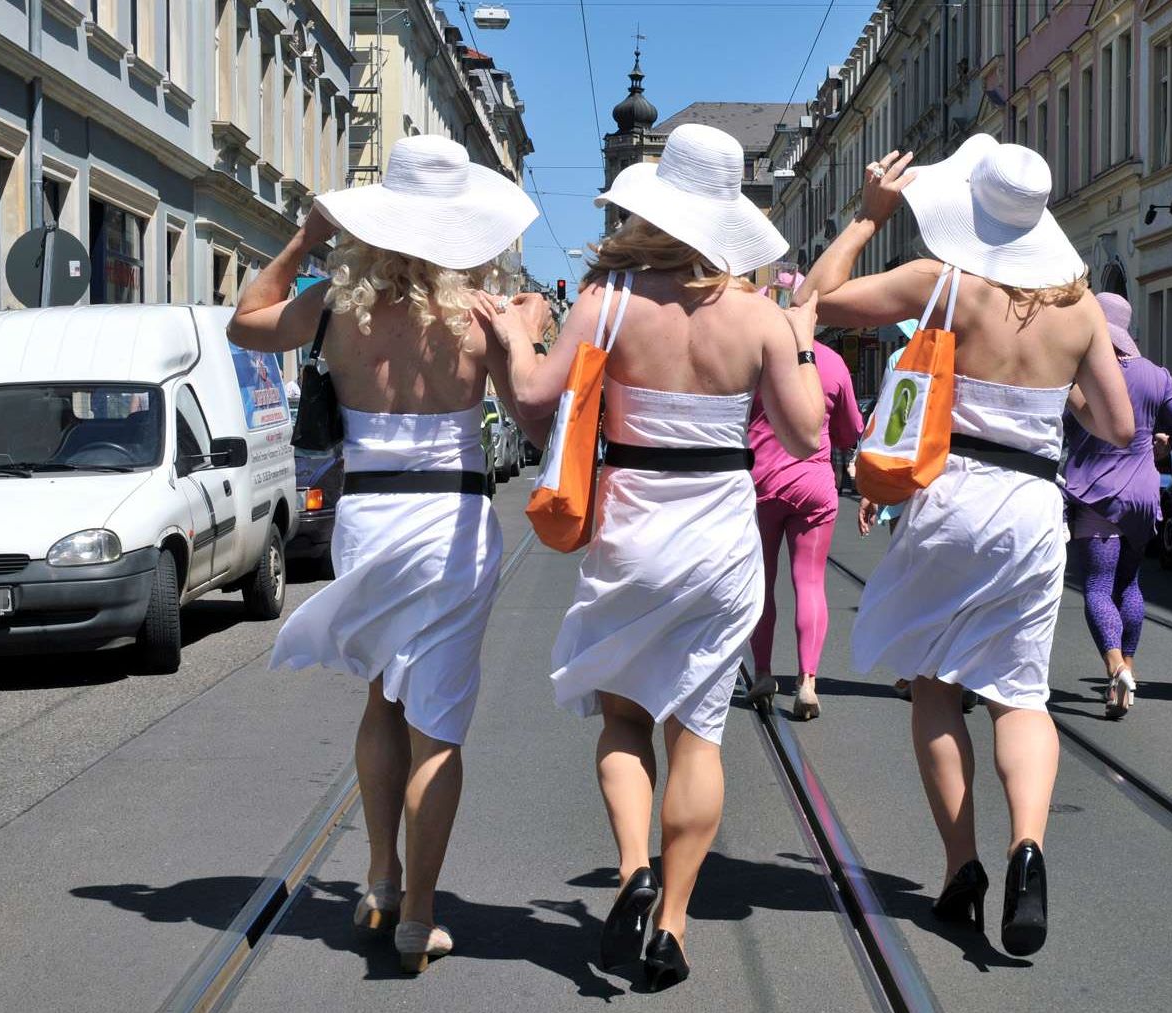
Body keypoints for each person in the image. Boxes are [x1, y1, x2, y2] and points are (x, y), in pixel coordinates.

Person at [502, 123, 824, 991]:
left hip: (633, 532)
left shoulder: (606, 300)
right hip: (721, 540)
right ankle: (674, 922)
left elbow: (535, 401)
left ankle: (633, 867)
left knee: (623, 719)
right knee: (701, 735)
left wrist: (513, 333)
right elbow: (804, 432)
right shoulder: (756, 314)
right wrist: (795, 335)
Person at [803, 135, 1133, 958]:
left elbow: (814, 299)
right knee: (1022, 692)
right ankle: (1029, 848)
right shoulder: (1081, 308)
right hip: (1031, 503)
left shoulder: (944, 283)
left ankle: (963, 868)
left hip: (951, 496)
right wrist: (1058, 410)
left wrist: (870, 216)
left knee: (935, 684)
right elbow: (1120, 424)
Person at [226, 135, 543, 973]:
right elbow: (538, 421)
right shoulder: (482, 314)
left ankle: (378, 876)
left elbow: (245, 320)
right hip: (452, 525)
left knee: (382, 699)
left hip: (368, 515)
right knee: (438, 724)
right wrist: (523, 341)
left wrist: (304, 238)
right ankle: (420, 915)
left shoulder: (334, 308)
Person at [1062, 293, 1172, 720]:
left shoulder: (1077, 373)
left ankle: (1115, 667)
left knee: (1099, 586)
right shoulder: (1156, 375)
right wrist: (1166, 444)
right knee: (1130, 584)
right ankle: (1130, 671)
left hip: (1094, 493)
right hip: (1143, 495)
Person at [746, 338, 864, 721]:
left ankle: (762, 673)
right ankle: (807, 682)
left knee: (760, 585)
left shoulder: (758, 353)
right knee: (810, 583)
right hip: (812, 485)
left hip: (760, 484)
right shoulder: (830, 361)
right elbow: (850, 432)